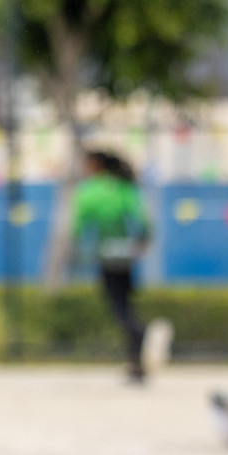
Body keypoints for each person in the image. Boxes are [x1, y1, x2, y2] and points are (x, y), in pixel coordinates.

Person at [72, 149, 151, 383]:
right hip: (127, 254)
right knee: (126, 302)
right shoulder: (125, 187)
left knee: (119, 307)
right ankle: (136, 362)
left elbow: (79, 224)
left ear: (96, 165)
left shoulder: (90, 190)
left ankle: (139, 333)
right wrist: (142, 241)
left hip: (106, 254)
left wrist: (77, 250)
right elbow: (143, 220)